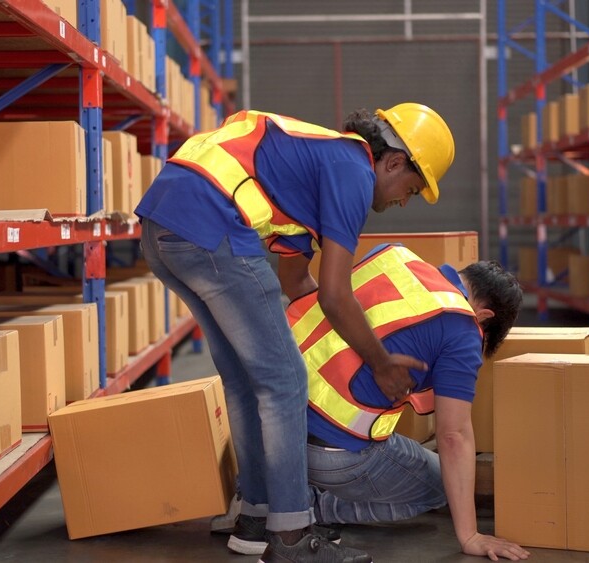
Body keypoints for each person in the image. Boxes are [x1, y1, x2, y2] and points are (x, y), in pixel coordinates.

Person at [135, 104, 456, 562]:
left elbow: (296, 284)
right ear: (393, 162)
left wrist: (338, 329)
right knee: (285, 385)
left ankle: (255, 517)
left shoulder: (314, 164)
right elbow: (334, 295)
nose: (405, 199)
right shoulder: (353, 172)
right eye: (412, 188)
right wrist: (380, 361)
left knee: (248, 381)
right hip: (211, 224)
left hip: (164, 228)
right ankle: (291, 537)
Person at [286, 244, 530, 562]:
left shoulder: (395, 257)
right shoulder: (463, 328)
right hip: (327, 449)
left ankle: (274, 491)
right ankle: (310, 508)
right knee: (443, 483)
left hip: (276, 420)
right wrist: (470, 535)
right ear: (484, 316)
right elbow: (453, 436)